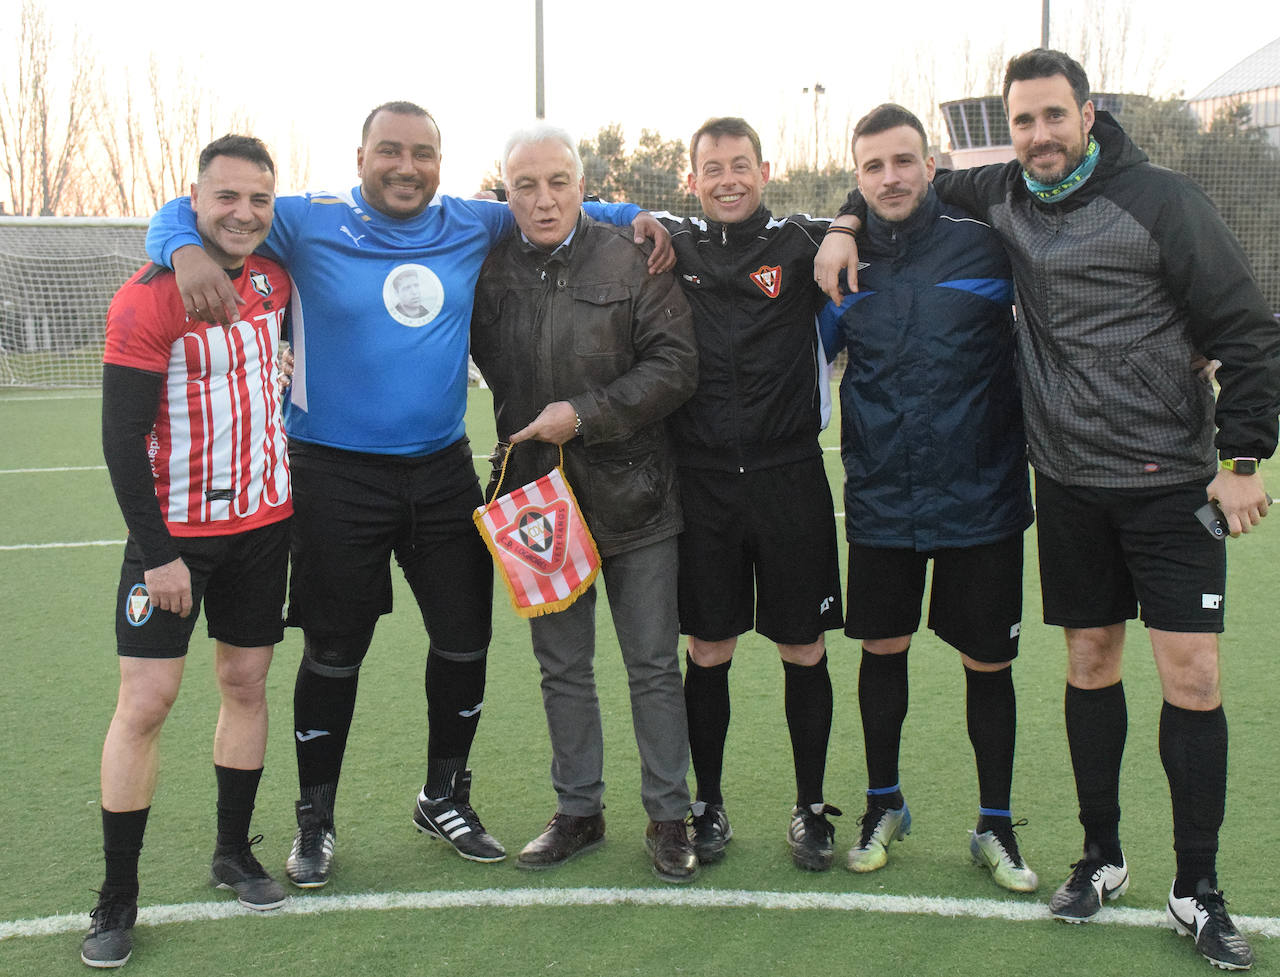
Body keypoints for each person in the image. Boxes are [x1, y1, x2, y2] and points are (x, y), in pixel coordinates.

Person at [819, 49, 1280, 971]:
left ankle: (1200, 888)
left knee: (1192, 676)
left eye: (1052, 117)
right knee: (1089, 662)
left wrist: (1242, 457)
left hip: (1171, 483)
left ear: (1086, 113)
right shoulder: (1001, 193)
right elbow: (894, 171)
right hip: (1068, 481)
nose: (1038, 135)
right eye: (1022, 121)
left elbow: (1246, 329)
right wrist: (839, 219)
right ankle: (1102, 856)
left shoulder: (1163, 201)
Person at [145, 101, 674, 889]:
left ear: (441, 161)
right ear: (360, 155)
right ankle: (315, 820)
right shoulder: (305, 220)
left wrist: (643, 213)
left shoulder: (474, 221)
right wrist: (183, 249)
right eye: (389, 151)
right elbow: (188, 209)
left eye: (422, 153)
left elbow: (565, 201)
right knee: (334, 648)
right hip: (333, 473)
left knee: (465, 639)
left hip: (439, 469)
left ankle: (444, 796)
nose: (406, 166)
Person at [815, 105, 1037, 890]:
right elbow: (813, 362)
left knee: (989, 660)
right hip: (883, 494)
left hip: (983, 494)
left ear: (931, 162)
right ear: (858, 174)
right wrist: (840, 226)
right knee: (882, 649)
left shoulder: (989, 244)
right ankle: (884, 805)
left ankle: (996, 825)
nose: (890, 178)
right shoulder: (839, 262)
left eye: (902, 161)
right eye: (872, 167)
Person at [469, 124, 699, 883]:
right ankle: (578, 810)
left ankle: (670, 817)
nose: (543, 199)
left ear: (582, 183)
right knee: (561, 666)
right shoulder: (486, 266)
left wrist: (588, 413)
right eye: (524, 185)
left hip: (636, 494)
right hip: (537, 499)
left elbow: (675, 367)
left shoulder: (633, 255)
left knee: (652, 665)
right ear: (505, 192)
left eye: (558, 181)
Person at [85, 135, 292, 968]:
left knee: (245, 681)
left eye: (259, 200)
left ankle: (232, 852)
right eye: (226, 198)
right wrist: (158, 551)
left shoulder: (278, 275)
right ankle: (116, 895)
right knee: (147, 701)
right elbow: (120, 439)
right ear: (194, 200)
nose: (243, 213)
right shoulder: (147, 299)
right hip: (172, 541)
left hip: (263, 524)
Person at [652, 117, 845, 870]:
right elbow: (608, 217)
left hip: (789, 477)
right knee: (708, 645)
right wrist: (635, 216)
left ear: (765, 170)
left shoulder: (801, 241)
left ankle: (809, 806)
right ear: (692, 178)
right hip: (699, 485)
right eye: (712, 167)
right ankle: (709, 803)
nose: (728, 178)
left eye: (741, 165)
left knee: (803, 644)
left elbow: (874, 199)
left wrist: (847, 225)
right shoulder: (673, 244)